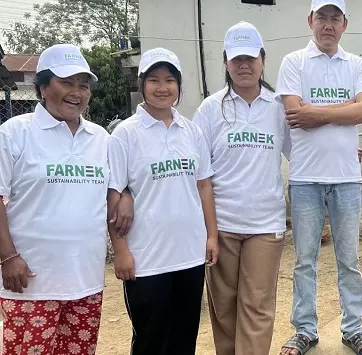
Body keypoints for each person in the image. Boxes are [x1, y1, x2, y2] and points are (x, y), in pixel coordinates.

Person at [276, 0, 362, 355]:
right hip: (305, 179)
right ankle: (305, 329)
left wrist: (315, 112)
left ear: (345, 24)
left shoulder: (355, 65)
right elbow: (293, 114)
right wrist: (343, 109)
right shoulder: (293, 63)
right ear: (310, 21)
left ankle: (353, 328)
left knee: (348, 260)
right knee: (305, 260)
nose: (329, 25)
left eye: (336, 18)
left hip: (347, 179)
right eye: (323, 17)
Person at [107, 47, 220, 355]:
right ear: (141, 84)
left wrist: (211, 235)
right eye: (153, 80)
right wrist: (121, 252)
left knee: (185, 337)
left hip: (189, 254)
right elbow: (113, 195)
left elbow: (204, 186)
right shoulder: (125, 134)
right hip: (146, 259)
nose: (162, 87)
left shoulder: (192, 131)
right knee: (150, 339)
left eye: (170, 80)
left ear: (179, 86)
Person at [0, 44, 110, 355]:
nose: (77, 92)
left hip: (86, 282)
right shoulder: (15, 133)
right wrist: (7, 257)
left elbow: (116, 191)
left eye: (83, 85)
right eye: (67, 83)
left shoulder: (100, 139)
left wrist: (125, 198)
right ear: (44, 86)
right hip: (32, 283)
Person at [192, 21, 290, 355]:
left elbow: (303, 150)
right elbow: (196, 171)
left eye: (251, 58)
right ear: (226, 62)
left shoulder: (279, 107)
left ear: (263, 59)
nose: (244, 65)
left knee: (258, 306)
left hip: (266, 224)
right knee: (224, 306)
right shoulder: (210, 109)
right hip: (222, 225)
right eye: (236, 59)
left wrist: (343, 151)